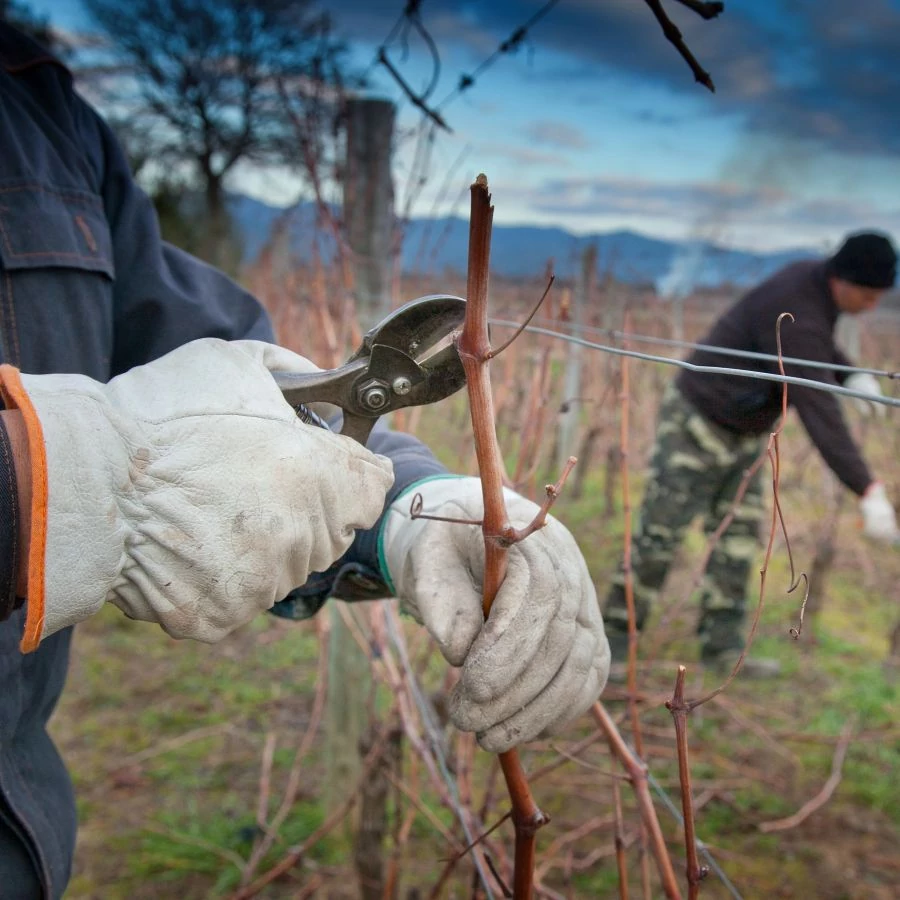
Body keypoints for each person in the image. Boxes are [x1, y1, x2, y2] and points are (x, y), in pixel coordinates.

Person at [0, 22, 610, 898]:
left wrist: (412, 505)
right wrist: (47, 485)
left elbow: (204, 363)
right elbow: (125, 443)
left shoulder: (40, 110)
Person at [604, 230, 898, 676]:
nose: (873, 306)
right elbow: (817, 405)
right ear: (844, 280)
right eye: (871, 295)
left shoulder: (813, 287)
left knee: (737, 546)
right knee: (658, 538)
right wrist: (868, 488)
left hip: (746, 435)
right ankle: (612, 645)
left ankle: (722, 654)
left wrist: (851, 374)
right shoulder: (795, 301)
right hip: (697, 423)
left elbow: (814, 347)